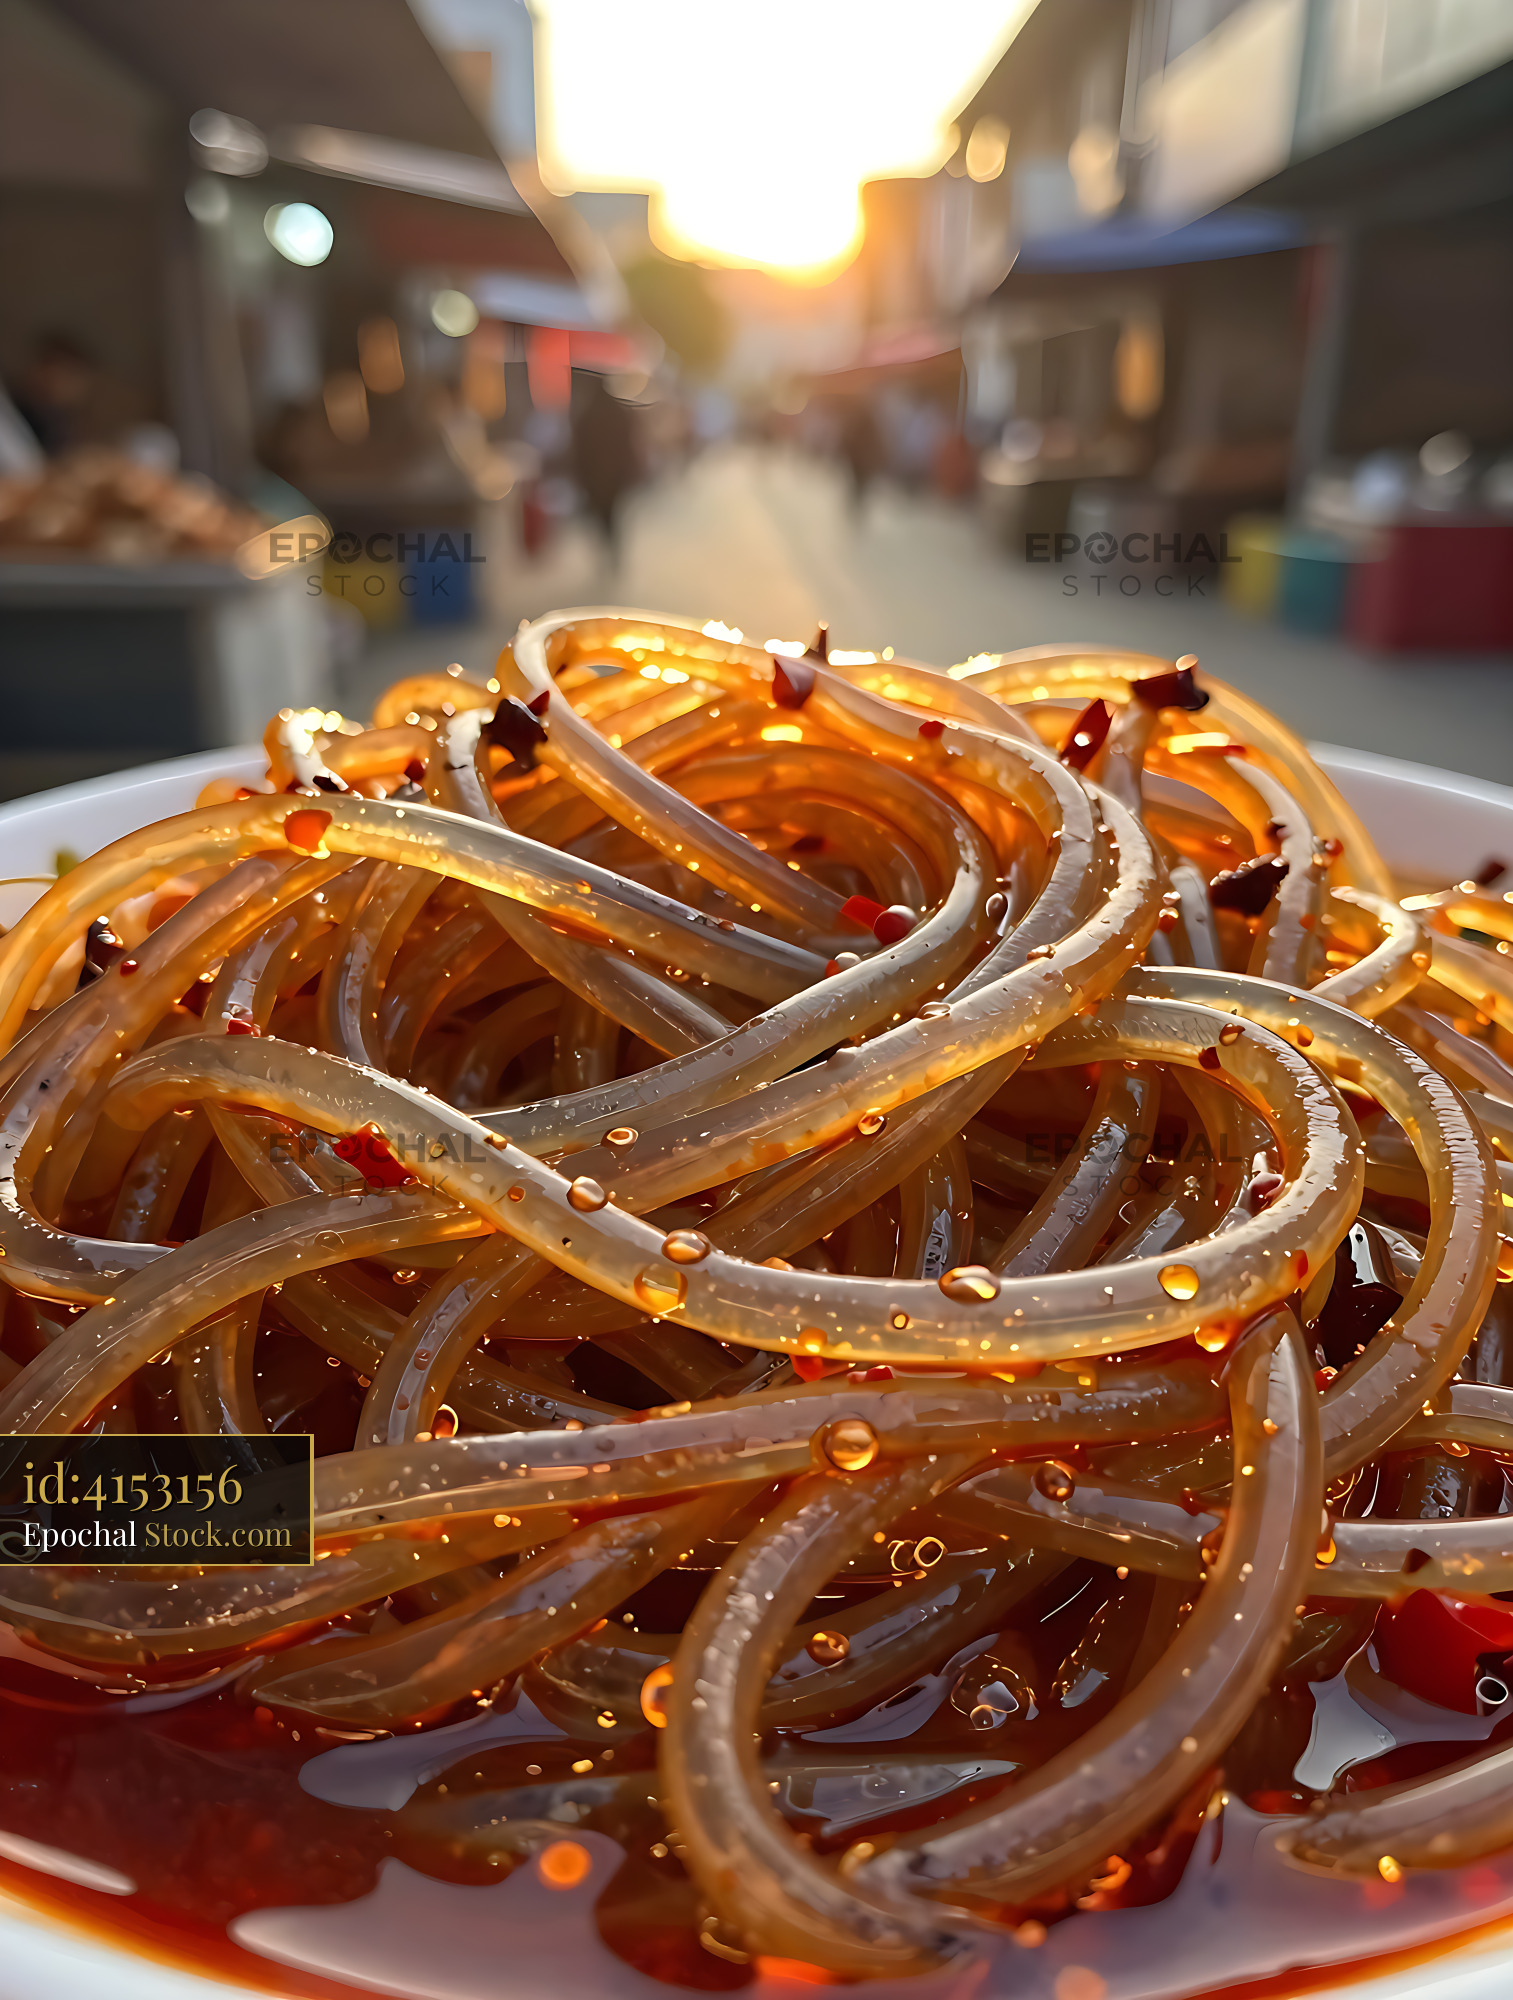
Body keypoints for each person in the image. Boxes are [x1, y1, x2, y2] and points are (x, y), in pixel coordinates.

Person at [571, 374, 640, 560]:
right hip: (616, 476)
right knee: (613, 513)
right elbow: (629, 442)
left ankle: (608, 546)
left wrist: (581, 475)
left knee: (603, 516)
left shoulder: (585, 414)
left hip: (595, 479)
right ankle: (613, 547)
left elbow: (579, 450)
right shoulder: (619, 411)